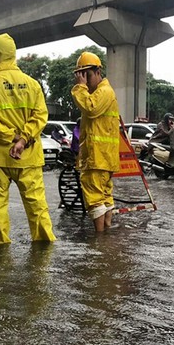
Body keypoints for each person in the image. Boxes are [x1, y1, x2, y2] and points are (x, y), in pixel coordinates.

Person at [0, 33, 55, 245]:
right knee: (38, 208)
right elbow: (40, 117)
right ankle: (45, 253)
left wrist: (12, 137)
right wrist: (23, 139)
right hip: (29, 156)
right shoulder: (33, 84)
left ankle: (0, 257)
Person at [71, 51, 120, 232]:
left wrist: (79, 88)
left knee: (95, 199)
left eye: (87, 76)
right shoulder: (102, 92)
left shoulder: (103, 92)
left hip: (98, 158)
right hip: (102, 157)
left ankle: (99, 240)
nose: (84, 81)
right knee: (105, 197)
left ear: (98, 72)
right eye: (81, 77)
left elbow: (90, 108)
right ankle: (105, 235)